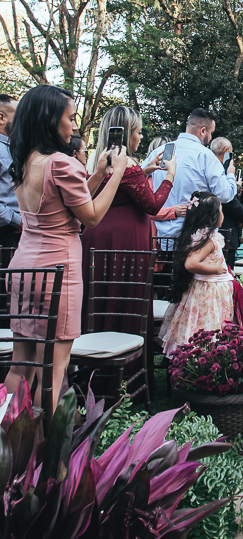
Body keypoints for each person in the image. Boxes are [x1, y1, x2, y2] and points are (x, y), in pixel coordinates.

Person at [4, 85, 127, 404]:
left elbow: (61, 203)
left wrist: (98, 174)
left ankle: (12, 448)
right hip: (58, 272)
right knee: (53, 376)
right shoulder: (62, 163)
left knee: (21, 367)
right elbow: (91, 217)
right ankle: (52, 454)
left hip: (24, 269)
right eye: (70, 118)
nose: (75, 126)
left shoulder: (28, 159)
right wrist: (118, 174)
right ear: (49, 119)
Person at [80, 106, 177, 389]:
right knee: (126, 300)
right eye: (137, 131)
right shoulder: (129, 166)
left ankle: (92, 374)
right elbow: (152, 204)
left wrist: (144, 170)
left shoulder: (98, 164)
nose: (139, 136)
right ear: (127, 133)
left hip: (97, 238)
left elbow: (116, 186)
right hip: (125, 243)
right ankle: (126, 379)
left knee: (99, 301)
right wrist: (169, 176)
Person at [159, 191, 234, 356]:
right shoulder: (208, 239)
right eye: (220, 211)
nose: (222, 215)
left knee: (202, 325)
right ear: (211, 216)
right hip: (207, 294)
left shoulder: (200, 235)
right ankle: (201, 356)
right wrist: (215, 269)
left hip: (208, 291)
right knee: (204, 326)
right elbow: (191, 263)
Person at [153, 108, 237, 241]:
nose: (210, 138)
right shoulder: (206, 156)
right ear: (203, 131)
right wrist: (230, 175)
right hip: (195, 240)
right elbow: (225, 194)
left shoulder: (158, 152)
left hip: (160, 238)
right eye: (211, 133)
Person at [210, 136, 243, 265]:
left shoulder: (207, 166)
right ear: (226, 151)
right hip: (225, 232)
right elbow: (227, 200)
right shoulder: (220, 171)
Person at [0, 94, 20, 265]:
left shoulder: (12, 148)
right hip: (5, 235)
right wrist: (17, 221)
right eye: (18, 114)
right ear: (1, 117)